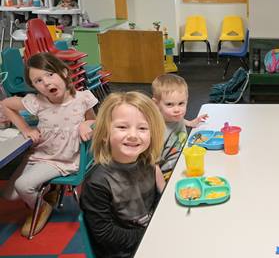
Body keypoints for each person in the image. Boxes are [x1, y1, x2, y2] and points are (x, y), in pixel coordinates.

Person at [0, 52, 97, 237]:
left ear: (64, 73)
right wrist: (26, 129)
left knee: (23, 186)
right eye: (38, 80)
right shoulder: (37, 101)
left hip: (64, 160)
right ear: (34, 86)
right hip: (40, 155)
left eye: (50, 74)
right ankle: (49, 191)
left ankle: (42, 206)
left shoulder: (83, 98)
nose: (45, 82)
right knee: (9, 195)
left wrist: (87, 123)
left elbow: (97, 123)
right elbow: (6, 104)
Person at [80, 91, 166, 258]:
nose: (133, 135)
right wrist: (152, 234)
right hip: (124, 251)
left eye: (142, 128)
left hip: (150, 238)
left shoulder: (147, 165)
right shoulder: (97, 182)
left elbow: (154, 202)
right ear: (105, 133)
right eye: (122, 127)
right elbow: (106, 235)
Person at [151, 74, 208, 180]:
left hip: (184, 162)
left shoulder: (173, 116)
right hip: (168, 174)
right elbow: (154, 167)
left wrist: (191, 123)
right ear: (156, 104)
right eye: (169, 104)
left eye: (181, 103)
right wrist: (163, 190)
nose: (177, 110)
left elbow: (180, 120)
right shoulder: (156, 131)